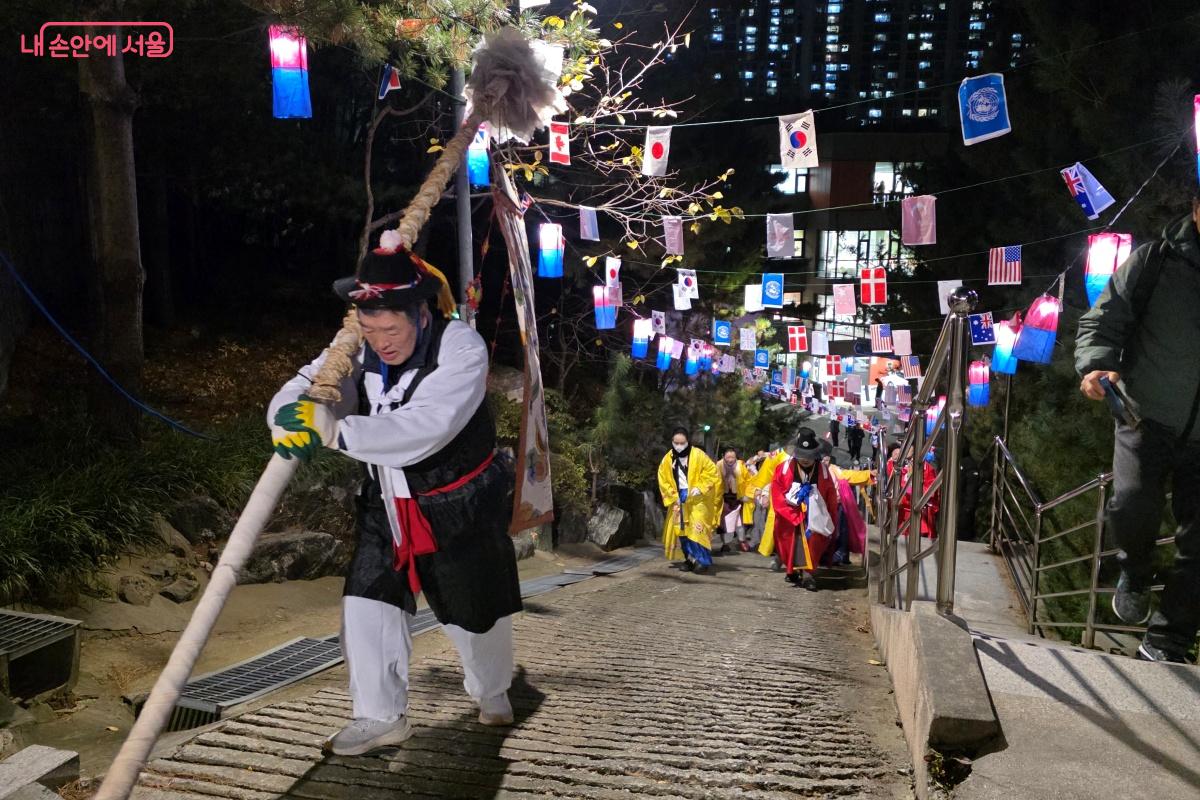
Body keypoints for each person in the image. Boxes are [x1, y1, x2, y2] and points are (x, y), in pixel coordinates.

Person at [267, 246, 521, 756]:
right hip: (387, 498)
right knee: (367, 599)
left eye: (393, 331)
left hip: (459, 505)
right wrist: (288, 416)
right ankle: (379, 715)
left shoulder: (462, 348)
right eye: (371, 330)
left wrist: (335, 431)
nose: (381, 343)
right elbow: (309, 383)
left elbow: (426, 427)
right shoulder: (356, 344)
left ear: (421, 314)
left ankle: (492, 687)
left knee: (474, 614)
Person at [1075, 197, 1200, 663]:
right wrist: (1096, 366)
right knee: (1131, 503)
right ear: (1195, 209)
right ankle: (1135, 568)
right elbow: (1102, 322)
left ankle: (1169, 640)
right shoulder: (1154, 260)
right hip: (1143, 414)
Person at [769, 427, 840, 590]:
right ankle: (792, 569)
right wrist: (791, 514)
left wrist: (829, 514)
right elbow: (777, 492)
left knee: (814, 540)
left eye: (809, 455)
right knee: (789, 540)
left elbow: (829, 494)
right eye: (801, 455)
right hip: (789, 513)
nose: (805, 459)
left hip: (815, 514)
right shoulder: (784, 469)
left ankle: (808, 574)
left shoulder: (823, 471)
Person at [657, 427, 720, 574]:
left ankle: (702, 561)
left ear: (687, 442)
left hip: (698, 498)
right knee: (682, 531)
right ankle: (690, 559)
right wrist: (673, 496)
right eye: (676, 443)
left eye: (682, 443)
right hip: (678, 498)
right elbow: (663, 479)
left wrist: (701, 487)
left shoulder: (699, 455)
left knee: (697, 529)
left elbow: (712, 472)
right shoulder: (668, 459)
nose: (679, 446)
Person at [716, 447, 756, 552]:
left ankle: (742, 540)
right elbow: (713, 481)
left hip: (738, 497)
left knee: (740, 521)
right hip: (723, 498)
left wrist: (748, 494)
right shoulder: (718, 465)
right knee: (723, 522)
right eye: (728, 457)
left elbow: (749, 481)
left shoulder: (741, 465)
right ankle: (725, 544)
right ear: (723, 456)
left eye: (732, 457)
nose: (730, 459)